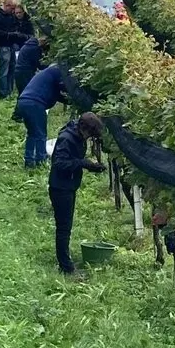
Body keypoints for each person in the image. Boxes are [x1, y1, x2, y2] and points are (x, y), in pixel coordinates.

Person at [49, 112, 105, 274]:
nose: (89, 138)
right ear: (84, 128)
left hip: (67, 185)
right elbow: (59, 163)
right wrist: (84, 163)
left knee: (65, 226)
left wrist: (90, 166)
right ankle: (66, 267)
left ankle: (65, 262)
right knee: (64, 228)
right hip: (61, 188)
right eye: (90, 135)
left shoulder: (76, 135)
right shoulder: (67, 139)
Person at [15, 64, 69, 168]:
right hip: (35, 104)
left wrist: (69, 100)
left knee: (32, 133)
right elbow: (64, 87)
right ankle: (41, 161)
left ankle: (29, 161)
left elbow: (57, 95)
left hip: (23, 101)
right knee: (41, 134)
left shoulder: (47, 76)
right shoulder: (57, 71)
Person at [0, 0, 31, 99]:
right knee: (4, 70)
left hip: (12, 45)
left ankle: (9, 91)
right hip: (2, 45)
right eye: (12, 8)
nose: (13, 11)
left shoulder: (11, 16)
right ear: (7, 5)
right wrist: (8, 34)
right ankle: (3, 94)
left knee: (12, 69)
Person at [10, 24, 50, 122]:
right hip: (25, 73)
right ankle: (18, 115)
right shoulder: (34, 49)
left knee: (23, 93)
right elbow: (39, 64)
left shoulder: (29, 44)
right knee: (25, 94)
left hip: (20, 71)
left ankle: (18, 114)